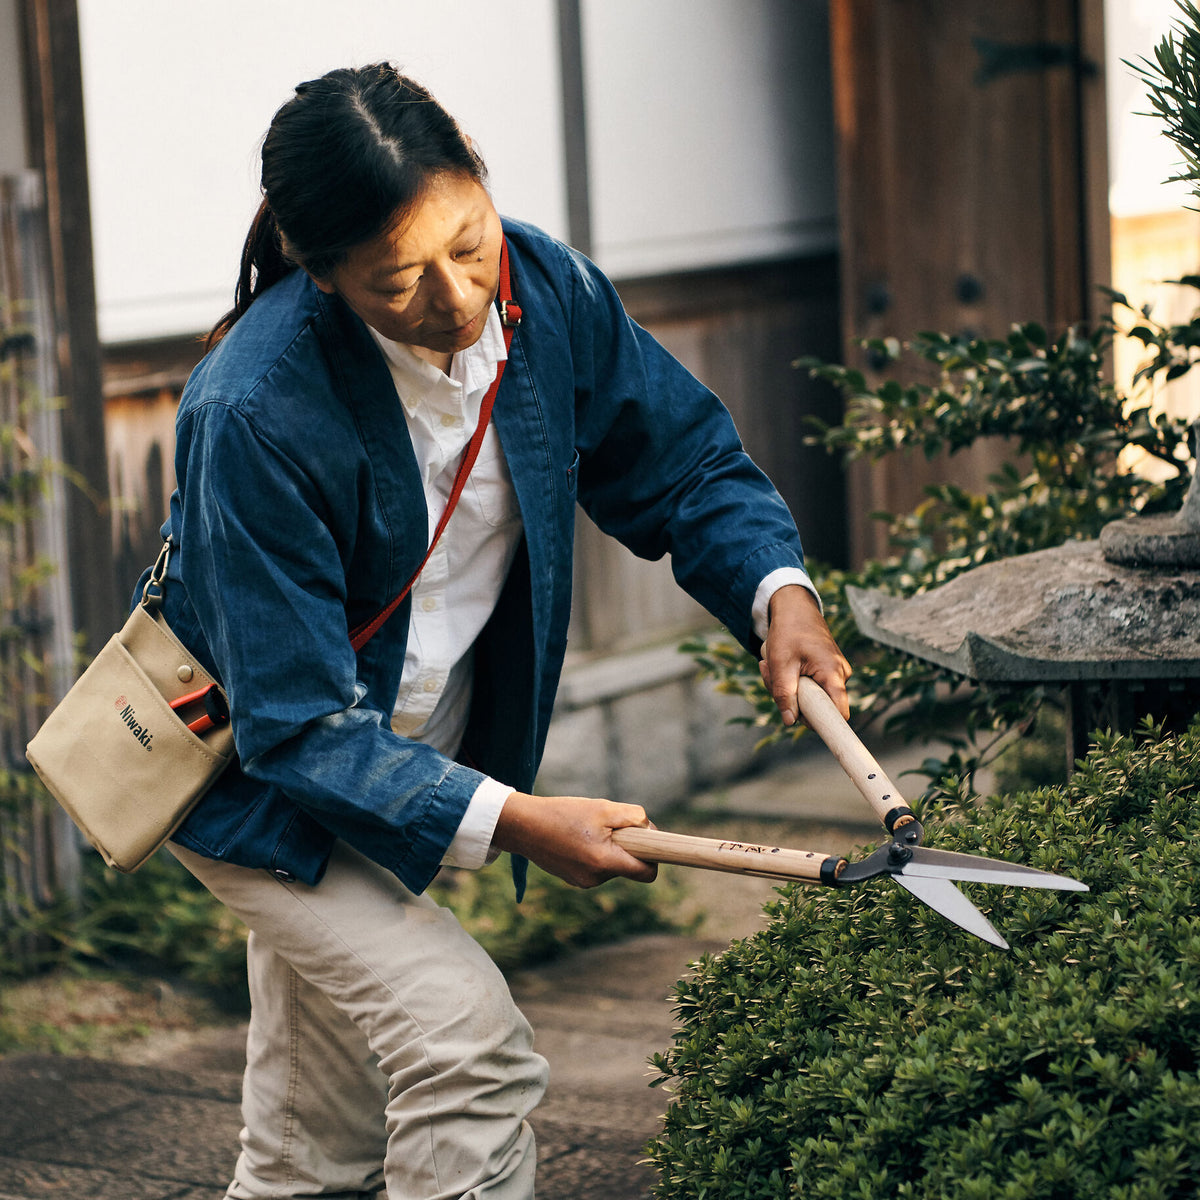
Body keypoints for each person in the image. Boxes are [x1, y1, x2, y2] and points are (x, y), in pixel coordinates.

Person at [153, 63, 851, 1200]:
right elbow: (297, 727)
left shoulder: (549, 289)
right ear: (320, 273)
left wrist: (779, 590)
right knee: (467, 1047)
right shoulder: (252, 410)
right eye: (398, 282)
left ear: (479, 170)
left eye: (468, 245)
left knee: (309, 1154)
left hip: (402, 759)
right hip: (260, 783)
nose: (460, 299)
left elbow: (681, 464)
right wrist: (524, 822)